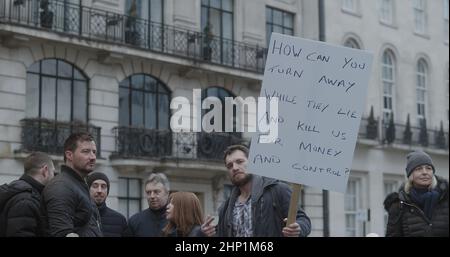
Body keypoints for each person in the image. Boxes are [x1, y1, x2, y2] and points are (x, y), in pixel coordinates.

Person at [202, 145, 311, 237]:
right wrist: (208, 232)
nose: (234, 168)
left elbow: (304, 220)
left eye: (239, 162)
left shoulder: (278, 190)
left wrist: (298, 228)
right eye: (229, 166)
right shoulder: (225, 208)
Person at [42, 132, 102, 237]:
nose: (92, 157)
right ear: (69, 155)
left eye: (94, 152)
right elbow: (61, 233)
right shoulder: (61, 187)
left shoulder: (78, 184)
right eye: (86, 152)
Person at [384, 150, 449, 237]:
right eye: (419, 169)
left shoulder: (445, 198)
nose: (425, 172)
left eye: (428, 168)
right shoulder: (399, 205)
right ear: (411, 175)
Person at [0, 152, 55, 236]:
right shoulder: (26, 200)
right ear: (45, 170)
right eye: (53, 172)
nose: (53, 177)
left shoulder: (23, 192)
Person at [87, 172, 128, 237]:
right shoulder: (78, 217)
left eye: (103, 186)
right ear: (87, 189)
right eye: (95, 186)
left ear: (107, 191)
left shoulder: (120, 220)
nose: (99, 190)